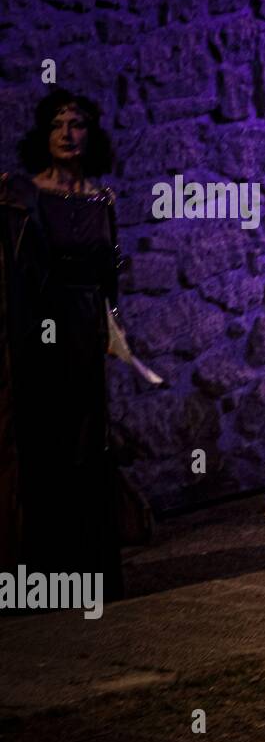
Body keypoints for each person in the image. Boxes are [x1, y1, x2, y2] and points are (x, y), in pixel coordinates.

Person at [0, 89, 139, 595]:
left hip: (85, 331)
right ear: (44, 134)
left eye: (76, 123)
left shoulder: (102, 199)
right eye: (58, 124)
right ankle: (41, 574)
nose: (67, 133)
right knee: (45, 445)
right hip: (39, 332)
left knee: (88, 445)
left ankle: (91, 573)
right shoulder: (24, 196)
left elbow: (108, 277)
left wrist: (112, 328)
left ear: (90, 133)